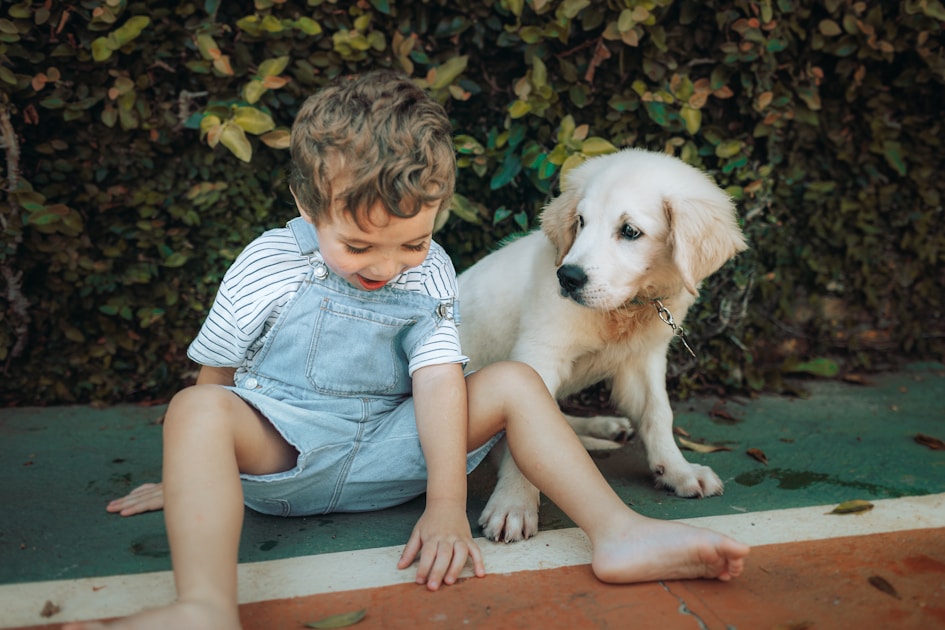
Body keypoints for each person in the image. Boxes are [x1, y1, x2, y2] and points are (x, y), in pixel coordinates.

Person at [66, 70, 749, 630]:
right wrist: (193, 471)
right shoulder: (266, 263)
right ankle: (205, 608)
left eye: (413, 242)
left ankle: (619, 532)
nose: (388, 265)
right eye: (359, 245)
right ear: (307, 207)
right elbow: (217, 372)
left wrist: (446, 503)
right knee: (194, 410)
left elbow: (438, 378)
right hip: (289, 451)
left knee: (515, 379)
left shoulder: (432, 271)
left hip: (400, 451)